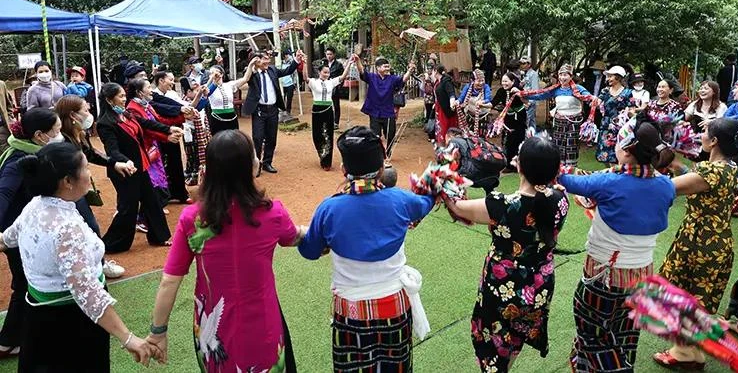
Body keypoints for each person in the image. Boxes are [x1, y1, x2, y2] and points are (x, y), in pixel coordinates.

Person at [146, 130, 304, 372]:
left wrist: (158, 332)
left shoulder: (193, 219)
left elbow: (170, 280)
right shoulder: (273, 212)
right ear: (251, 166)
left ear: (209, 170)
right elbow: (293, 237)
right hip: (263, 324)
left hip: (211, 336)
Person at [0, 143, 155, 370]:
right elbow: (87, 294)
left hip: (38, 318)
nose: (90, 174)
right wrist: (128, 338)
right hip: (71, 323)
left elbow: (6, 240)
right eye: (85, 168)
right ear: (67, 181)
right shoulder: (66, 228)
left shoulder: (35, 206)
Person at [298, 126, 435, 373]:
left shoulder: (328, 209)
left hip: (350, 313)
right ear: (382, 169)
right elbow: (426, 201)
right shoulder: (402, 201)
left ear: (344, 170)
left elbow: (308, 250)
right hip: (393, 307)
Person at [558, 118, 676, 372]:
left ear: (626, 150)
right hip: (642, 277)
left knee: (592, 333)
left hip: (605, 278)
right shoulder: (666, 186)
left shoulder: (608, 183)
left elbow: (565, 180)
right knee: (626, 334)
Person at [445, 137, 568, 372]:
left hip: (503, 286)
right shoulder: (560, 198)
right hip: (538, 285)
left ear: (519, 166)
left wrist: (446, 172)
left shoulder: (501, 204)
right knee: (517, 334)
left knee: (492, 340)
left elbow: (457, 206)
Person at [654, 118, 738, 369]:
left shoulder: (710, 172)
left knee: (682, 297)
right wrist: (676, 164)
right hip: (715, 242)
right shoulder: (729, 167)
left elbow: (667, 189)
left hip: (700, 244)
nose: (700, 135)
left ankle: (684, 353)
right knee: (693, 298)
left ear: (713, 141)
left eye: (704, 132)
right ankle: (691, 352)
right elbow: (695, 178)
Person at [0, 108, 61, 359]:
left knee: (27, 283)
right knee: (24, 284)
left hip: (29, 231)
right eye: (56, 131)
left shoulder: (31, 150)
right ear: (39, 135)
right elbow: (3, 194)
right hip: (17, 234)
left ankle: (19, 336)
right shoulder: (17, 161)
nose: (59, 135)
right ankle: (6, 342)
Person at [56, 95, 133, 277]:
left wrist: (113, 163)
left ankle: (98, 264)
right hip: (65, 195)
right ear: (73, 115)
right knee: (86, 228)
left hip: (76, 192)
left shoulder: (77, 134)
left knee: (89, 227)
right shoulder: (61, 141)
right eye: (86, 110)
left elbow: (90, 153)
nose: (89, 114)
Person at [96, 83, 176, 253]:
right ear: (110, 100)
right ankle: (111, 244)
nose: (125, 99)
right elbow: (112, 151)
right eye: (121, 96)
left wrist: (169, 129)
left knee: (152, 202)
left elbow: (147, 124)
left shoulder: (127, 114)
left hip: (141, 166)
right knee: (128, 208)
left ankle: (159, 237)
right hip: (124, 170)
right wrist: (125, 161)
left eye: (125, 96)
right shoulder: (105, 123)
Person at [126, 78, 186, 216]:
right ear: (140, 92)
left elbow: (159, 121)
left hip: (153, 148)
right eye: (148, 87)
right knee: (151, 182)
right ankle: (144, 216)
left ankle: (151, 212)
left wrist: (181, 119)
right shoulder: (133, 109)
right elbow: (147, 129)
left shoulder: (146, 105)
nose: (151, 90)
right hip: (144, 149)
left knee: (157, 179)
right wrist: (167, 136)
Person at [522, 64, 596, 167]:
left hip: (574, 122)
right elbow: (540, 95)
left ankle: (571, 169)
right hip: (559, 121)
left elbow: (588, 97)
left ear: (571, 76)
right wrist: (523, 94)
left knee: (572, 145)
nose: (562, 78)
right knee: (558, 144)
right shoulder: (555, 89)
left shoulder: (578, 88)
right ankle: (559, 168)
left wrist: (594, 100)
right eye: (560, 75)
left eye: (565, 75)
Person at [242, 51, 301, 173]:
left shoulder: (272, 70)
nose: (268, 61)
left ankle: (267, 163)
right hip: (259, 110)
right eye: (264, 59)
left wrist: (296, 60)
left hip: (273, 109)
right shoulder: (251, 73)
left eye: (268, 59)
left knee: (271, 138)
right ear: (256, 61)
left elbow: (288, 71)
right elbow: (246, 77)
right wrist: (251, 65)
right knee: (258, 138)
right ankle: (256, 164)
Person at [354, 55, 417, 157]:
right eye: (385, 66)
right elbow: (362, 71)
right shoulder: (372, 77)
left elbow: (403, 79)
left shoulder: (392, 79)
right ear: (378, 68)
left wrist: (410, 70)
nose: (387, 68)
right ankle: (379, 153)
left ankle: (388, 150)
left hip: (388, 111)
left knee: (391, 134)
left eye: (388, 66)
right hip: (374, 111)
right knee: (375, 135)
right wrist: (357, 61)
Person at [303, 55, 354, 170]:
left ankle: (327, 162)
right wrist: (304, 63)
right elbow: (305, 77)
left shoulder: (331, 82)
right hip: (317, 110)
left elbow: (342, 77)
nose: (327, 74)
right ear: (319, 72)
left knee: (328, 135)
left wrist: (349, 64)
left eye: (328, 72)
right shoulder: (313, 82)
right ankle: (321, 154)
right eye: (325, 72)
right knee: (317, 135)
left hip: (328, 111)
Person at [153, 71, 196, 203]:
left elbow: (180, 106)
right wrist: (182, 113)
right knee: (160, 165)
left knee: (176, 162)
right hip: (158, 134)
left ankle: (180, 193)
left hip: (174, 133)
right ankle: (163, 195)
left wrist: (185, 110)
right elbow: (161, 110)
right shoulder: (152, 96)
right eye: (170, 80)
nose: (173, 82)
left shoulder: (171, 94)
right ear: (161, 80)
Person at [595, 65, 635, 163]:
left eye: (610, 76)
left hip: (620, 127)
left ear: (618, 77)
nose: (608, 79)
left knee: (619, 155)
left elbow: (632, 109)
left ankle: (618, 175)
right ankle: (611, 174)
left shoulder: (628, 92)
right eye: (607, 76)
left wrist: (628, 113)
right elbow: (596, 104)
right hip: (606, 126)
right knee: (604, 156)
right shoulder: (605, 91)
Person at [205, 63, 253, 136]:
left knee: (234, 139)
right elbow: (205, 92)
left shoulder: (229, 85)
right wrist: (212, 79)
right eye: (211, 73)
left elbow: (245, 79)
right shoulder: (208, 88)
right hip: (217, 118)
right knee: (218, 141)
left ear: (222, 74)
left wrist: (250, 65)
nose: (214, 74)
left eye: (216, 72)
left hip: (231, 117)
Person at [491, 72, 527, 170]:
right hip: (507, 117)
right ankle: (509, 164)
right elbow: (493, 103)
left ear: (513, 81)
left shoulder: (518, 90)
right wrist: (482, 105)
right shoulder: (501, 91)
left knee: (519, 139)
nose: (504, 83)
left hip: (519, 117)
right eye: (503, 81)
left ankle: (519, 164)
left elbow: (526, 101)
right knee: (508, 141)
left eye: (506, 81)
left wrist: (519, 93)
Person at [458, 69, 493, 137]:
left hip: (483, 116)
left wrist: (482, 102)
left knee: (481, 136)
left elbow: (488, 98)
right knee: (468, 134)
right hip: (470, 116)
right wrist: (457, 101)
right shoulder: (467, 87)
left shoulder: (486, 87)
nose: (481, 83)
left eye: (483, 80)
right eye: (479, 81)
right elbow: (461, 97)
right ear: (472, 81)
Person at [434, 64, 459, 145]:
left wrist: (452, 102)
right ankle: (442, 146)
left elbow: (451, 93)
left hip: (447, 110)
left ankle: (449, 146)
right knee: (441, 128)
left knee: (447, 128)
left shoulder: (446, 81)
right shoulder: (439, 82)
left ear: (436, 71)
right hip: (440, 108)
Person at [324, 47, 345, 129]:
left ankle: (336, 122)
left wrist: (339, 87)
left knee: (336, 105)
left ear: (334, 54)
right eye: (327, 54)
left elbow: (342, 77)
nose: (329, 56)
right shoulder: (324, 64)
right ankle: (327, 121)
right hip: (326, 87)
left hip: (335, 87)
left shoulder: (338, 65)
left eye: (330, 54)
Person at [519, 56, 539, 132]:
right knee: (531, 122)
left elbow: (535, 90)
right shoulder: (525, 74)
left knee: (527, 122)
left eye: (524, 63)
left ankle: (529, 140)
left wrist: (530, 103)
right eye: (520, 63)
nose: (521, 65)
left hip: (530, 102)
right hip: (525, 100)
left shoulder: (533, 74)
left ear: (529, 64)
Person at [279, 50, 297, 116]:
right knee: (281, 98)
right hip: (282, 84)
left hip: (290, 84)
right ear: (285, 55)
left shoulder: (291, 64)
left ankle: (288, 112)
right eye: (289, 55)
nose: (290, 56)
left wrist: (294, 83)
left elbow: (294, 74)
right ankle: (282, 111)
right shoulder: (280, 63)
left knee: (289, 99)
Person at [0, 81, 15, 154]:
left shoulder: (1, 84)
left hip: (2, 127)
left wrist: (9, 116)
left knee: (6, 152)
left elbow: (9, 102)